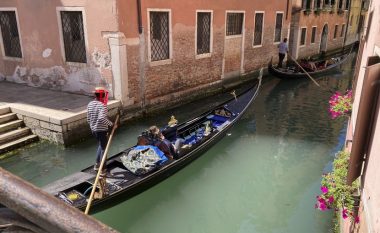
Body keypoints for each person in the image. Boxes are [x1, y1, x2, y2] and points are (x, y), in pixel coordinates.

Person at [87, 86, 114, 171]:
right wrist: (111, 124)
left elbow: (88, 119)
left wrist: (94, 127)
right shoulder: (102, 106)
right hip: (101, 131)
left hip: (93, 130)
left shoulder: (90, 104)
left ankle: (97, 164)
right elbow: (101, 118)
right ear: (102, 95)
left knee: (101, 145)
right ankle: (103, 168)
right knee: (104, 148)